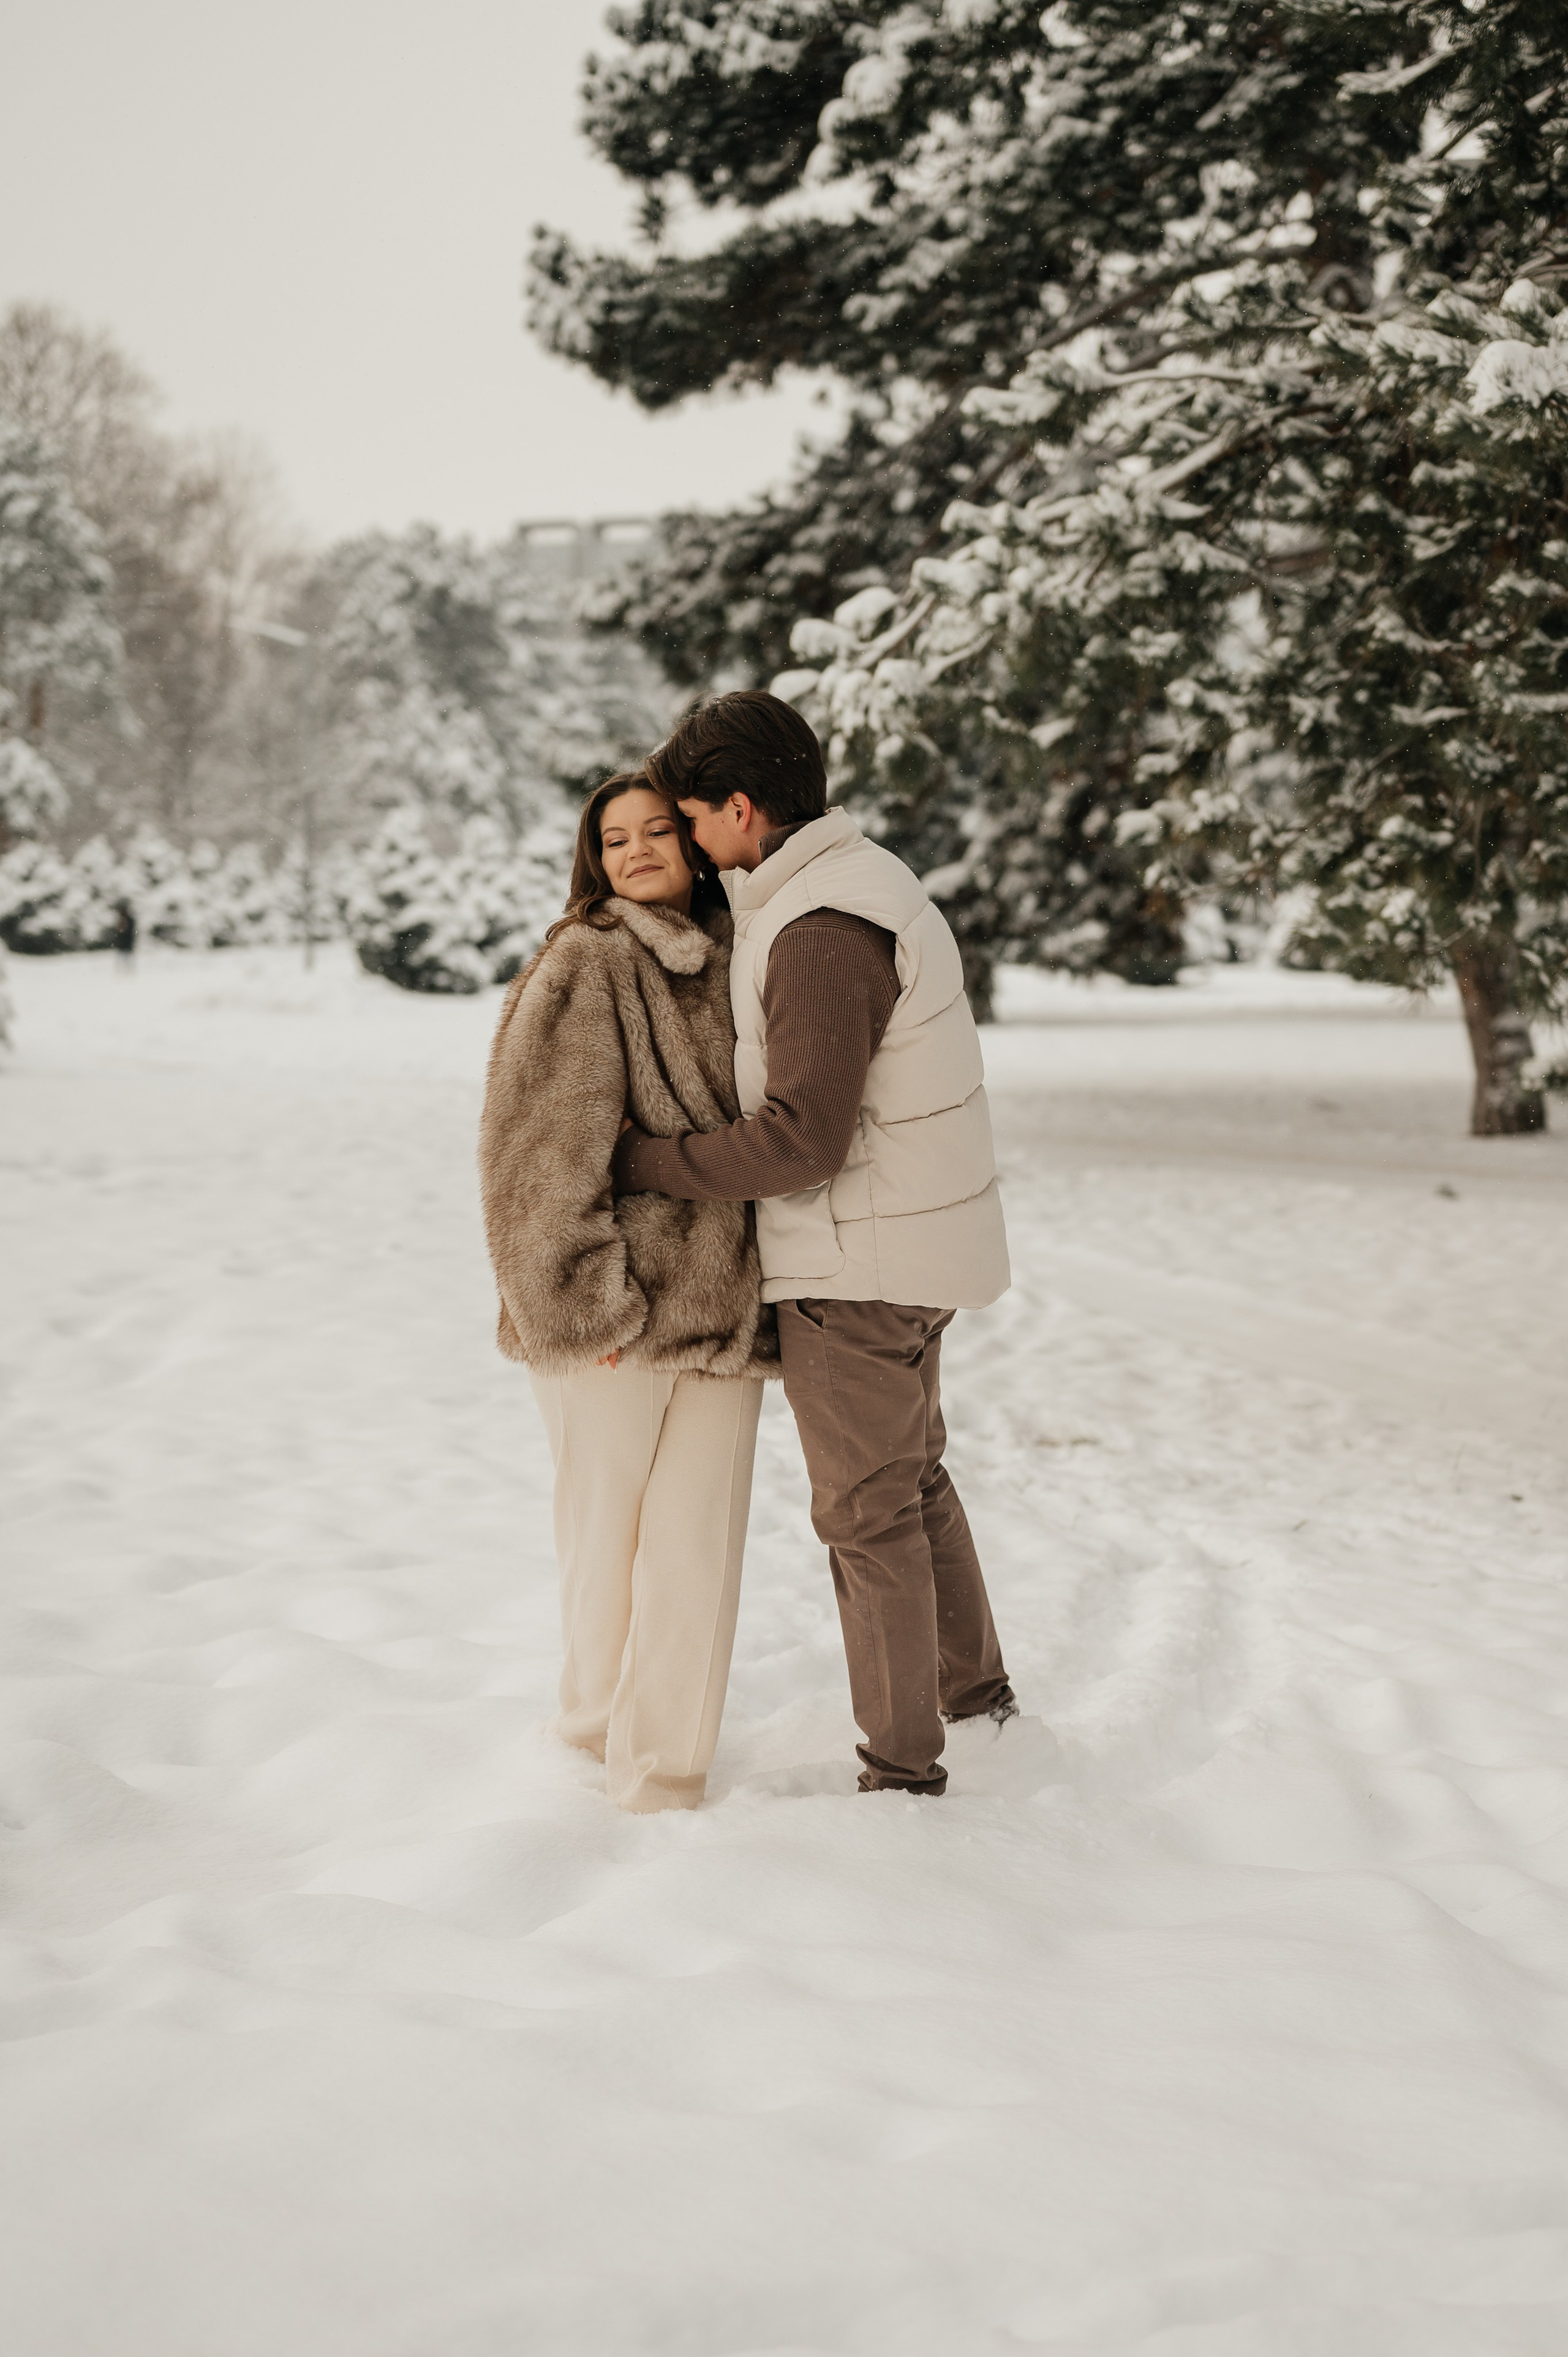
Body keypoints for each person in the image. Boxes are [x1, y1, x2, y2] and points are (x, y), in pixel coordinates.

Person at [614, 692, 1017, 1797]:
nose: (687, 841)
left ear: (743, 812)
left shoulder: (821, 929)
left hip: (862, 1261)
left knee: (865, 1511)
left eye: (692, 817)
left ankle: (902, 1771)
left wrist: (644, 1161)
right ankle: (977, 1699)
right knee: (912, 1479)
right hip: (906, 1247)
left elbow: (803, 1141)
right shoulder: (853, 883)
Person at [479, 772, 778, 1814]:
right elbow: (537, 1154)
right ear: (594, 860)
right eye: (616, 838)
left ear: (695, 848)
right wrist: (577, 1307)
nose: (639, 849)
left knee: (696, 1547)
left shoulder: (745, 962)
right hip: (615, 1310)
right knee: (604, 1540)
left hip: (729, 1312)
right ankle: (587, 1741)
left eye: (659, 831)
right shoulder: (588, 961)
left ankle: (665, 1777)